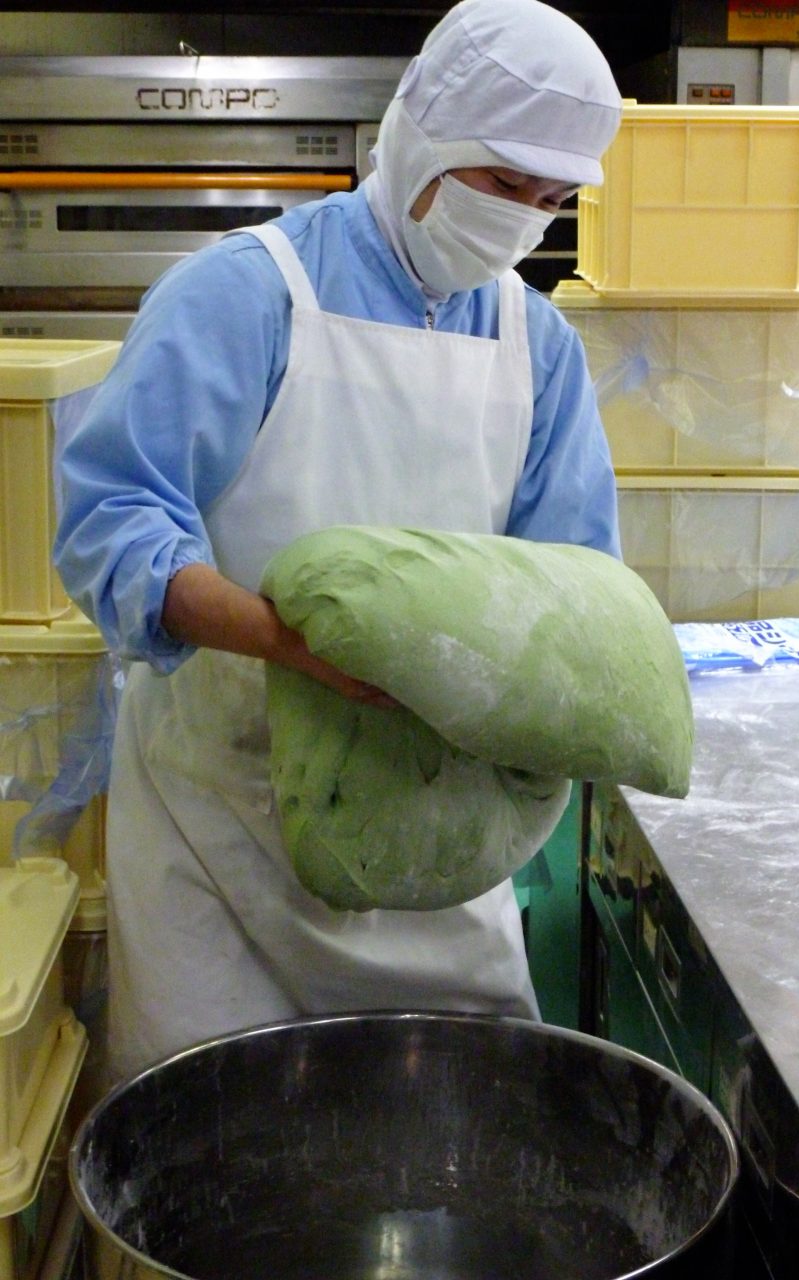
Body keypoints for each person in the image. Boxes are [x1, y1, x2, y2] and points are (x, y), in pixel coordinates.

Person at [54, 0, 624, 1084]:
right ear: (420, 134)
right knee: (220, 1175)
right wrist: (288, 643)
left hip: (439, 844)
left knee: (458, 1146)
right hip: (224, 832)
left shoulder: (535, 346)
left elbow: (576, 582)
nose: (522, 222)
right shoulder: (248, 294)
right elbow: (110, 520)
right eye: (503, 185)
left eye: (555, 200)